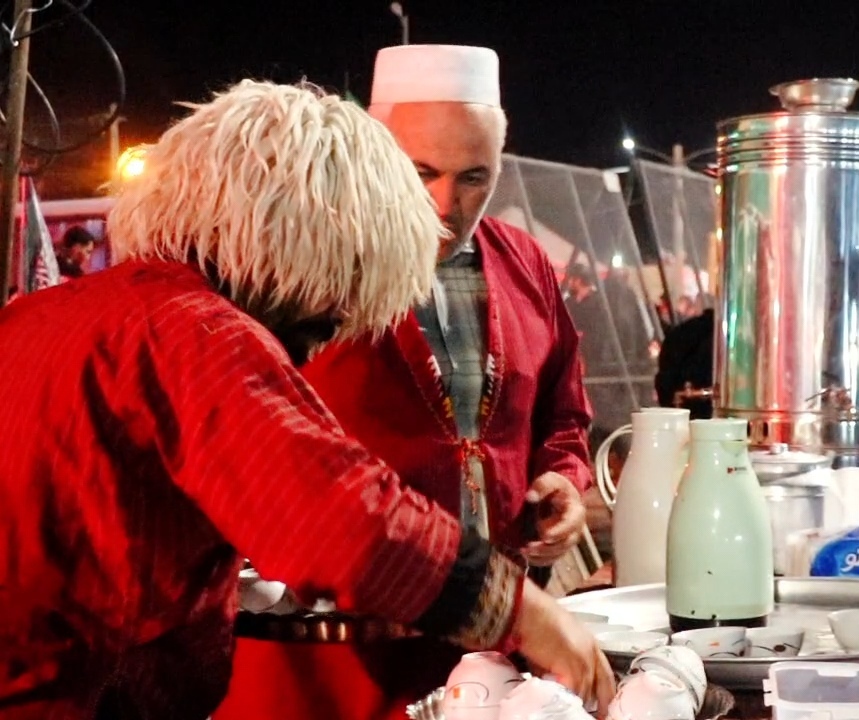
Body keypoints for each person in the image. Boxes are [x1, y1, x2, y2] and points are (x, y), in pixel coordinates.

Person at [0, 80, 612, 720]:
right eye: (348, 282)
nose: (338, 323)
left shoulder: (50, 315)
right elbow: (336, 517)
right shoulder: (193, 332)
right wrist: (521, 611)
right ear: (305, 234)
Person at [216, 46, 597, 720]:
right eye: (421, 172)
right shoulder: (308, 264)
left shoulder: (524, 263)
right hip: (326, 657)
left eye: (474, 177)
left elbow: (562, 412)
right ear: (374, 151)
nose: (447, 204)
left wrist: (560, 478)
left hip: (488, 657)